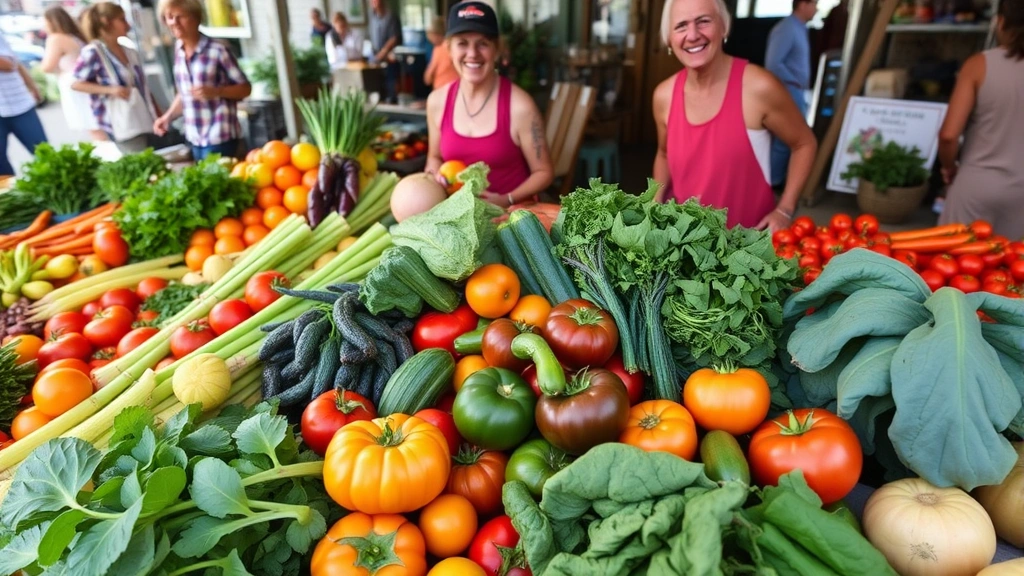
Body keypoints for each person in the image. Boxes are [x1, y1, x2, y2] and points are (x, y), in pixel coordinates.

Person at [651, 0, 817, 232]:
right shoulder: (663, 95)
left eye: (703, 22)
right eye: (680, 26)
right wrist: (654, 203)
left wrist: (785, 209)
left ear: (724, 27)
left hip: (747, 250)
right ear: (669, 38)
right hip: (683, 246)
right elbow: (664, 153)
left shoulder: (759, 87)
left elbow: (804, 143)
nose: (693, 35)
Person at [424, 1, 553, 207]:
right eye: (462, 43)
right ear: (448, 49)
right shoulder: (437, 101)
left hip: (513, 219)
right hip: (460, 215)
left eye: (483, 43)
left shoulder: (520, 106)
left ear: (497, 49)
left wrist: (506, 199)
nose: (472, 53)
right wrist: (435, 176)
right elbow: (434, 157)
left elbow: (544, 172)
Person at [937, 0, 1024, 238]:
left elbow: (949, 135)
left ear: (1001, 22)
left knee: (949, 263)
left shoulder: (979, 65)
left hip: (977, 184)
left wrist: (949, 168)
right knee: (1011, 269)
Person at [152, 0, 251, 161]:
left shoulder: (218, 50)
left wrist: (216, 91)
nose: (174, 23)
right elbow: (184, 94)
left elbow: (245, 89)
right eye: (169, 17)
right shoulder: (178, 50)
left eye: (180, 17)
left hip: (220, 137)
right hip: (194, 138)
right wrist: (167, 117)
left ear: (196, 18)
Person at [71, 2, 157, 153]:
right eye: (122, 19)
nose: (127, 25)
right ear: (106, 22)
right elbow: (75, 83)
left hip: (143, 116)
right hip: (121, 121)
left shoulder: (128, 50)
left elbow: (143, 86)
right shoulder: (93, 52)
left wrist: (157, 112)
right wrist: (110, 90)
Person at [765, 0, 817, 187]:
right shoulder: (786, 28)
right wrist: (793, 81)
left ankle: (775, 180)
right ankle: (771, 182)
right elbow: (773, 63)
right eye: (814, 4)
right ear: (803, 4)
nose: (817, 9)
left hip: (797, 91)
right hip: (788, 91)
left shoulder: (800, 28)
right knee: (787, 138)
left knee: (790, 139)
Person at [40, 7, 105, 142]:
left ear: (51, 22)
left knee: (92, 126)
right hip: (87, 81)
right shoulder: (76, 37)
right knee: (96, 124)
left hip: (74, 84)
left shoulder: (56, 39)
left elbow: (47, 67)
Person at [0, 34, 47, 176]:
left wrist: (32, 86)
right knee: (1, 169)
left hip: (20, 104)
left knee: (44, 155)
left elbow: (10, 64)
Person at [369, 0, 402, 102]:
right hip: (376, 57)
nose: (374, 4)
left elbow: (394, 38)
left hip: (390, 57)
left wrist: (383, 52)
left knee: (391, 86)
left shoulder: (391, 17)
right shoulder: (373, 17)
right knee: (378, 87)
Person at [424, 16, 458, 90]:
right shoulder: (452, 46)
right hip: (453, 89)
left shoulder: (441, 49)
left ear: (436, 34)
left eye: (431, 37)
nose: (431, 41)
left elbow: (429, 76)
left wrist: (428, 77)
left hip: (445, 90)